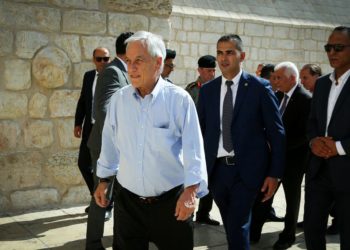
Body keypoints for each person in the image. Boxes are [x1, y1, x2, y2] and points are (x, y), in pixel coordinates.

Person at [94, 31, 208, 250]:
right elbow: (109, 142)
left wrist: (191, 191)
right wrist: (104, 179)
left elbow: (194, 149)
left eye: (139, 60)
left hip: (171, 204)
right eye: (128, 61)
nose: (131, 67)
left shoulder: (179, 100)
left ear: (158, 62)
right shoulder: (119, 100)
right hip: (128, 204)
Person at [197, 34, 285, 250]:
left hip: (247, 172)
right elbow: (199, 132)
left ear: (242, 56)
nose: (223, 58)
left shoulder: (260, 88)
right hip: (217, 172)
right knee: (232, 226)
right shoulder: (208, 91)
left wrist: (274, 174)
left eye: (229, 52)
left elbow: (277, 133)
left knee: (237, 226)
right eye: (219, 52)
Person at [86, 32, 133, 250]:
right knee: (101, 196)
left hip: (119, 145)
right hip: (106, 146)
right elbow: (102, 110)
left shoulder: (124, 71)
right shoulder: (112, 72)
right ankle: (93, 244)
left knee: (117, 198)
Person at [304, 26, 350, 250]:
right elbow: (312, 122)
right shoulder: (321, 84)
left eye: (339, 47)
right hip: (318, 172)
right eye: (328, 47)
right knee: (312, 232)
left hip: (347, 172)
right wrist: (314, 142)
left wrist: (339, 147)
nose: (332, 52)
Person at [272, 62, 312, 250]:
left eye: (279, 77)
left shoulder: (305, 99)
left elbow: (305, 134)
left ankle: (288, 235)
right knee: (265, 192)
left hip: (295, 159)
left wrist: (281, 147)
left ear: (292, 79)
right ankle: (254, 229)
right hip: (275, 157)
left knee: (291, 197)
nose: (276, 81)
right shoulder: (278, 96)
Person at [74, 47, 110, 212]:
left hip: (106, 130)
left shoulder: (113, 76)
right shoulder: (88, 76)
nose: (103, 62)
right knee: (83, 163)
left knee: (103, 168)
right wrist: (77, 123)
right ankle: (97, 196)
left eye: (106, 58)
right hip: (90, 127)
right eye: (99, 59)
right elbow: (83, 100)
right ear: (93, 59)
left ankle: (106, 204)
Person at [185, 55, 219, 226]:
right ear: (199, 70)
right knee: (191, 177)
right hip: (194, 141)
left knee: (209, 178)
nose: (212, 74)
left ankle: (203, 213)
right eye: (208, 71)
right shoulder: (192, 90)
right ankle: (188, 211)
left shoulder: (218, 88)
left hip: (211, 141)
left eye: (214, 70)